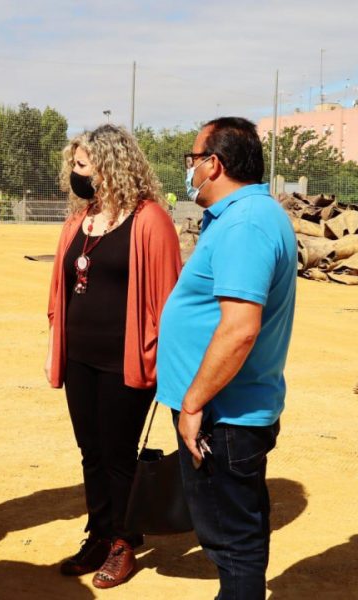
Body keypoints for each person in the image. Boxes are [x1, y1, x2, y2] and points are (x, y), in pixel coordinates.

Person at [155, 117, 297, 600]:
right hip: (227, 409)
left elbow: (239, 329)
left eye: (192, 160)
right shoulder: (243, 216)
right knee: (238, 534)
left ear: (214, 164)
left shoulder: (247, 223)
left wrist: (193, 404)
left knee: (232, 543)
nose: (189, 171)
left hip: (223, 416)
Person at [46, 124, 181, 589]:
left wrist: (169, 364)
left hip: (126, 358)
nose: (75, 174)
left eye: (82, 166)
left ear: (109, 166)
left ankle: (125, 540)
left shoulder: (150, 220)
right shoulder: (79, 221)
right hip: (79, 357)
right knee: (91, 452)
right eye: (74, 165)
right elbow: (61, 289)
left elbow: (169, 299)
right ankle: (100, 533)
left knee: (119, 454)